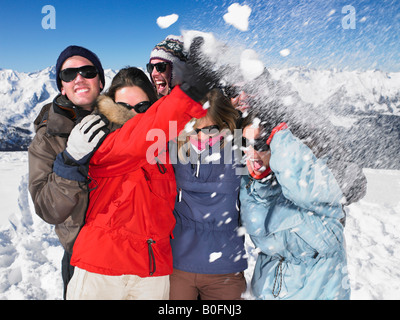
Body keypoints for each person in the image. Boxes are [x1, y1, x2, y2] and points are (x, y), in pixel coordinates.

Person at [66, 38, 218, 300]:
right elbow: (146, 132)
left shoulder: (167, 150)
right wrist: (190, 93)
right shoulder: (106, 145)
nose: (132, 115)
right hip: (102, 268)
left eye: (142, 108)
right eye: (122, 107)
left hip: (153, 270)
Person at [239, 109, 367, 300]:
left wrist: (279, 134)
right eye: (246, 144)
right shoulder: (248, 184)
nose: (253, 153)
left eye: (260, 144)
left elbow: (303, 188)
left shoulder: (314, 180)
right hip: (270, 290)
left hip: (318, 289)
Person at [28, 45, 107, 299]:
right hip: (81, 258)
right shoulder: (47, 138)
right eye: (69, 74)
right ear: (62, 86)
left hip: (133, 253)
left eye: (87, 71)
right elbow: (47, 208)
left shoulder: (125, 120)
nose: (79, 78)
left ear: (101, 81)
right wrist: (70, 163)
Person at [168, 88, 247, 300]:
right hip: (178, 266)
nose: (202, 136)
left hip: (224, 270)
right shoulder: (173, 150)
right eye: (194, 129)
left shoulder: (238, 153)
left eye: (211, 129)